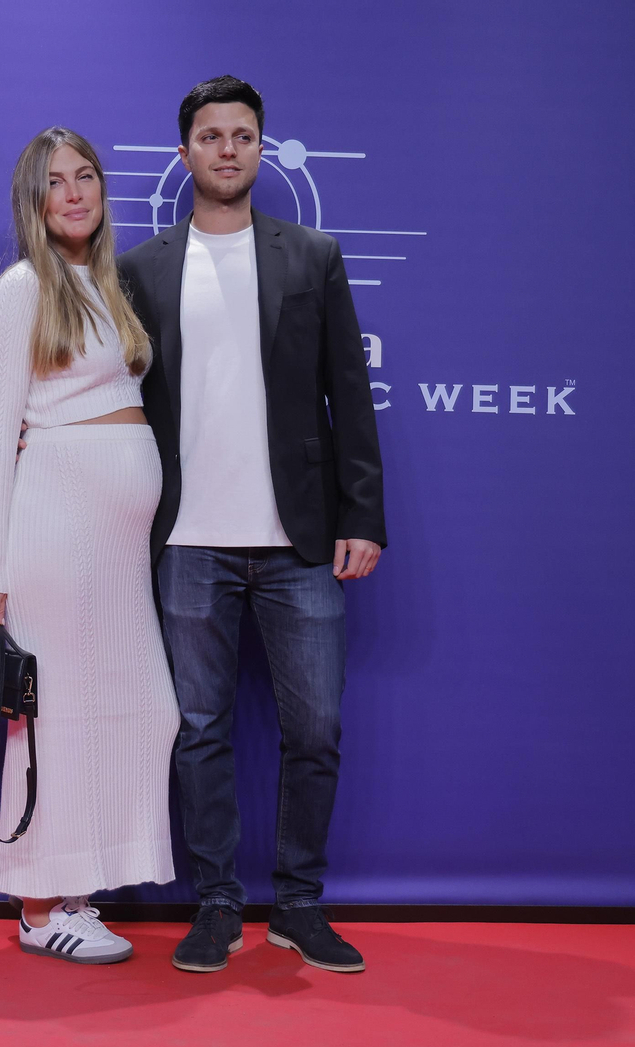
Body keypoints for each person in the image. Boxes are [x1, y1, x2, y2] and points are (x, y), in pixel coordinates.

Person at [117, 76, 387, 974]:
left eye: (242, 134)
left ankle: (299, 902)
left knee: (315, 731)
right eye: (209, 134)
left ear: (261, 149)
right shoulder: (141, 267)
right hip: (185, 538)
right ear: (185, 152)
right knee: (200, 729)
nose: (227, 148)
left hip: (300, 541)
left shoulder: (313, 254)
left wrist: (363, 515)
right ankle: (218, 905)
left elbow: (349, 394)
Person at [0, 127, 180, 965]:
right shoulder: (21, 289)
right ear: (35, 200)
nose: (75, 192)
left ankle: (77, 892)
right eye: (56, 182)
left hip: (118, 547)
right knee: (52, 718)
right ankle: (36, 905)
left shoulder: (109, 286)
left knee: (131, 713)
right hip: (54, 528)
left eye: (85, 176)